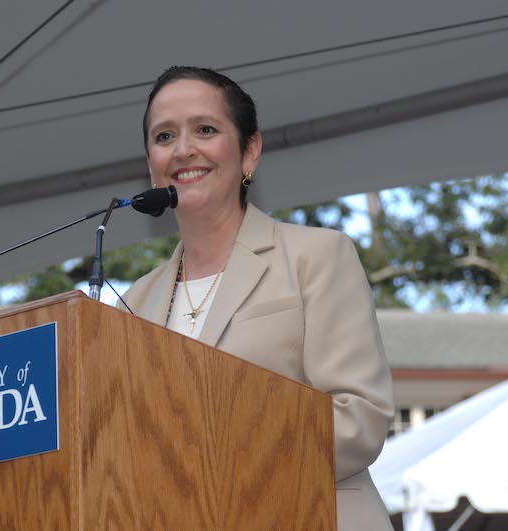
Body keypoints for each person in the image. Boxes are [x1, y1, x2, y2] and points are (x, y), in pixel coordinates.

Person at [120, 66, 395, 531]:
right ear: (151, 164)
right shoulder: (133, 301)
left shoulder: (317, 255)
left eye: (205, 129)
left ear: (250, 151)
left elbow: (358, 419)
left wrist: (211, 453)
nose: (184, 148)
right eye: (164, 136)